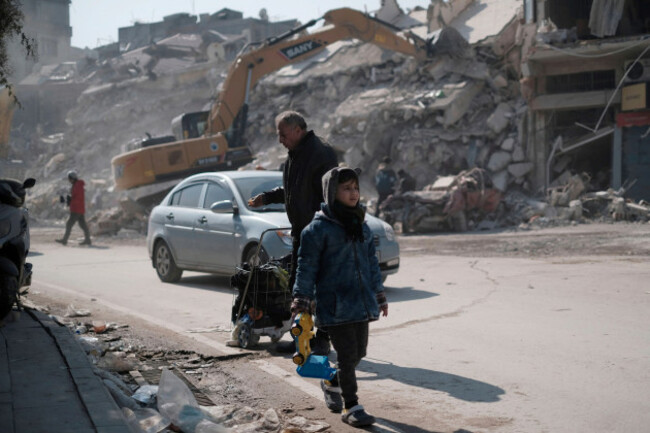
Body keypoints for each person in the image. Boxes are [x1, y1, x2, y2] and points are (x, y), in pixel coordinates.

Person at [291, 166, 388, 427]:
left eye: (355, 187)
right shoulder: (317, 230)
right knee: (346, 356)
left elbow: (371, 265)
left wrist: (379, 295)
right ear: (332, 192)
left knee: (359, 354)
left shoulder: (361, 225)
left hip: (361, 302)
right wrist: (301, 298)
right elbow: (306, 267)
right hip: (334, 305)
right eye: (346, 188)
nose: (353, 193)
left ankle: (331, 380)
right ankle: (351, 406)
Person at [248, 110, 337, 353]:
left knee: (322, 289)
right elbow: (291, 189)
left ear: (298, 130)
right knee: (300, 288)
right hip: (301, 233)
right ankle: (304, 337)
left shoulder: (321, 153)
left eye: (282, 134)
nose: (280, 139)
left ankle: (323, 338)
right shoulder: (294, 156)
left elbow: (332, 196)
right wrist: (266, 197)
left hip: (320, 234)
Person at [56, 170, 91, 246]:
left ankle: (65, 240)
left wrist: (70, 200)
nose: (69, 180)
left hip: (76, 209)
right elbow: (76, 196)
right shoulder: (77, 185)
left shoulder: (77, 186)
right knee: (82, 225)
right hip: (79, 208)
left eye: (69, 178)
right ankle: (88, 240)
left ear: (72, 178)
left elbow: (78, 198)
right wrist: (70, 199)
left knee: (69, 224)